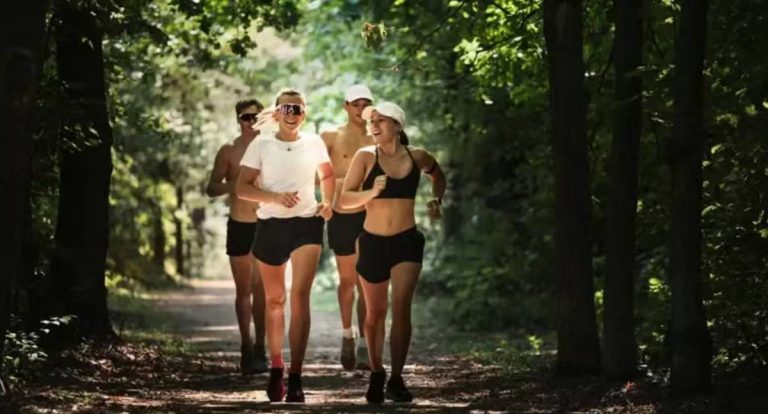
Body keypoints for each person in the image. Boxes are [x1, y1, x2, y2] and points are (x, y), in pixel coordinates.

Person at [340, 102, 446, 403]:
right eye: (370, 121)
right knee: (374, 314)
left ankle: (397, 378)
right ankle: (376, 371)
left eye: (380, 121)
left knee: (401, 310)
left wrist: (436, 201)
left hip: (406, 242)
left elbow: (438, 176)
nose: (373, 125)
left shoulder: (418, 156)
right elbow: (344, 200)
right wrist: (371, 192)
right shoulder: (364, 156)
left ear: (397, 125)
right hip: (372, 242)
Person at [236, 88, 334, 403]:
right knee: (276, 301)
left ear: (305, 113)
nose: (292, 114)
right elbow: (242, 188)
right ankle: (277, 367)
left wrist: (328, 201)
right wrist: (275, 198)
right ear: (277, 112)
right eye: (286, 108)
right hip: (271, 225)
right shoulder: (261, 144)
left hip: (307, 223)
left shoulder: (315, 142)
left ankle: (296, 377)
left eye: (298, 109)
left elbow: (328, 175)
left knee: (300, 297)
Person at [206, 98, 268, 375]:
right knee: (244, 290)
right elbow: (211, 188)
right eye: (246, 117)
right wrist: (237, 183)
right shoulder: (229, 151)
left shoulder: (272, 148)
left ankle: (261, 349)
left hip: (267, 224)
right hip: (240, 224)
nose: (251, 121)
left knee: (262, 290)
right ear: (238, 119)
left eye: (256, 116)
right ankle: (246, 346)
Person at [320, 84, 375, 371]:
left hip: (370, 217)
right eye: (356, 103)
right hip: (341, 215)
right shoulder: (330, 135)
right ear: (346, 106)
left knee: (367, 282)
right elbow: (315, 170)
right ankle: (347, 336)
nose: (361, 108)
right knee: (347, 281)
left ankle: (366, 342)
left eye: (366, 103)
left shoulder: (379, 136)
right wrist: (324, 200)